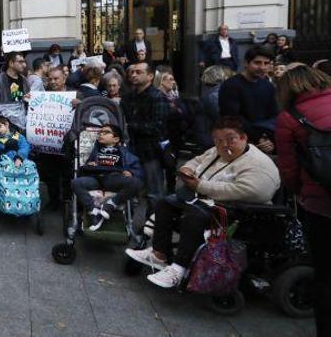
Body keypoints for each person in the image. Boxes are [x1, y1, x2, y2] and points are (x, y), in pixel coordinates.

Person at [126, 116, 280, 289]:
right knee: (165, 203)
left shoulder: (258, 163)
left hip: (240, 212)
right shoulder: (217, 151)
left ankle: (179, 269)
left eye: (230, 140)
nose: (224, 145)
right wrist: (187, 169)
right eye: (218, 140)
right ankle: (158, 254)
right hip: (206, 200)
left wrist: (201, 185)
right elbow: (197, 160)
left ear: (243, 138)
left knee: (194, 216)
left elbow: (252, 192)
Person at [274, 65, 331, 336]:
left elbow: (289, 169)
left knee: (326, 274)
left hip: (320, 202)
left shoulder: (290, 117)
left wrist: (298, 192)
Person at [73, 125, 144, 231]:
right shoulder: (96, 151)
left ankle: (110, 205)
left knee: (137, 183)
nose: (101, 134)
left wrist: (131, 172)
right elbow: (83, 169)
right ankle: (93, 212)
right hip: (96, 178)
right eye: (100, 132)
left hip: (113, 179)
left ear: (116, 139)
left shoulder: (123, 152)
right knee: (76, 182)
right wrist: (89, 165)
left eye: (106, 132)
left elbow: (138, 169)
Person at [121, 62, 170, 200]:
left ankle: (155, 220)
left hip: (151, 151)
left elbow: (158, 126)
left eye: (138, 72)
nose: (134, 75)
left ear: (150, 76)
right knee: (130, 190)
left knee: (154, 191)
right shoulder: (128, 97)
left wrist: (130, 126)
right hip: (132, 149)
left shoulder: (157, 96)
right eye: (132, 72)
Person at [219, 46, 278, 153]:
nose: (262, 67)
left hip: (266, 140)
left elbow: (274, 114)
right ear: (246, 63)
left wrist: (268, 139)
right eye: (257, 63)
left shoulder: (268, 86)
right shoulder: (231, 85)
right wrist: (258, 138)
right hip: (240, 142)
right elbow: (232, 117)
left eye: (266, 63)